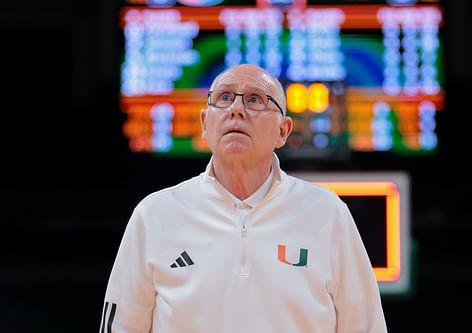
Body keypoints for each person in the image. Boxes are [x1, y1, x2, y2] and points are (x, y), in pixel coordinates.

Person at [100, 64, 387, 332]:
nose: (236, 109)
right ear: (204, 122)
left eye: (254, 100)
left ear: (283, 131)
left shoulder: (328, 213)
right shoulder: (154, 214)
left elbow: (366, 325)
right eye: (224, 98)